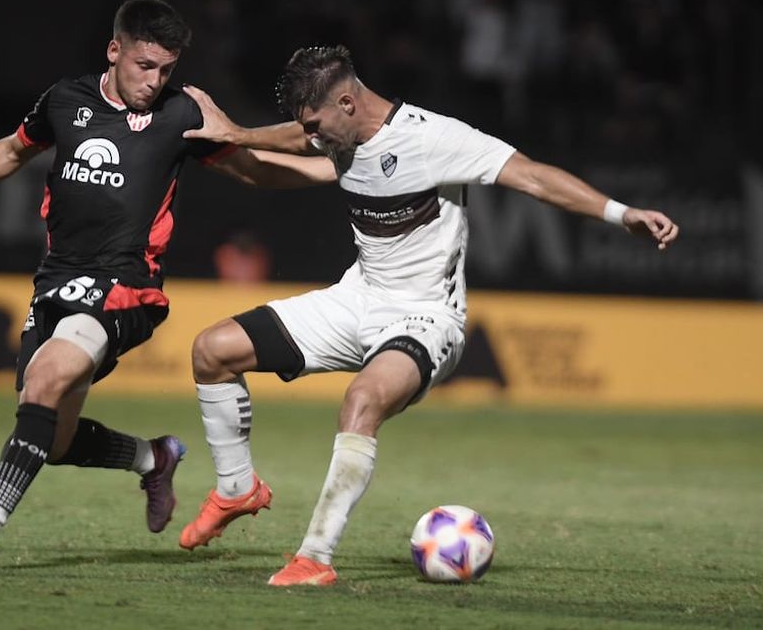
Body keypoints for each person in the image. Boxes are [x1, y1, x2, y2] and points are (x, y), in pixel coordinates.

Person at [176, 45, 679, 586]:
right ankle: (236, 489)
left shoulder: (434, 139)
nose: (313, 136)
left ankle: (314, 558)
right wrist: (238, 136)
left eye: (317, 124)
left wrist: (620, 213)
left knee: (362, 400)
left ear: (347, 101)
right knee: (213, 350)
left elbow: (532, 177)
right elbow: (291, 145)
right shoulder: (337, 134)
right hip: (357, 298)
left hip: (424, 317)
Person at [0, 0, 323, 570]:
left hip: (126, 288)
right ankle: (153, 458)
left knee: (44, 379)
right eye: (146, 66)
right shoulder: (65, 100)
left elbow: (253, 168)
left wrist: (332, 172)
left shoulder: (181, 115)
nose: (155, 81)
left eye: (167, 69)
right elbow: (11, 152)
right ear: (114, 51)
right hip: (55, 285)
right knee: (52, 438)